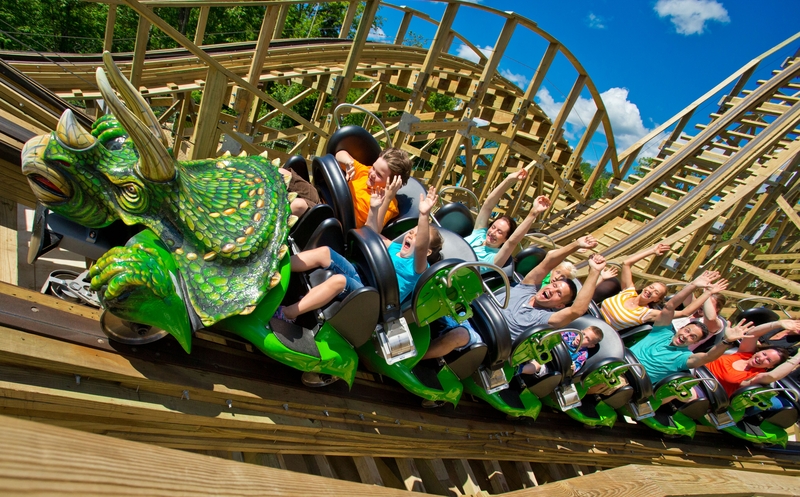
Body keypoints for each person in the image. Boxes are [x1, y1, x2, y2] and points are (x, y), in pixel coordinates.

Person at [626, 271, 751, 384]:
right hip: (621, 362)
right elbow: (670, 306)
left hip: (631, 381)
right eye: (686, 331)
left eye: (692, 337)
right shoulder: (663, 331)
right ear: (681, 328)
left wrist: (726, 341)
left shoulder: (684, 356)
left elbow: (708, 357)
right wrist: (694, 284)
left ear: (696, 342)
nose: (686, 336)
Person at [600, 243, 715, 331]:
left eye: (656, 292)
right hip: (590, 315)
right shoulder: (628, 291)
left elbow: (684, 313)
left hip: (601, 330)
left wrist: (706, 292)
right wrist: (652, 251)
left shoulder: (647, 313)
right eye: (651, 287)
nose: (650, 291)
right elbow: (626, 263)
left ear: (657, 299)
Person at [366, 184, 443, 303]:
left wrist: (424, 215)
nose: (411, 236)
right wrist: (374, 209)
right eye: (411, 232)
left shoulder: (418, 267)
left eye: (417, 236)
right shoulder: (394, 247)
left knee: (338, 282)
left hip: (378, 300)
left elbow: (420, 248)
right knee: (325, 252)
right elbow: (371, 234)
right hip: (365, 279)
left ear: (428, 252)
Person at [465, 166, 551, 269]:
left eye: (500, 232)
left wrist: (534, 213)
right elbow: (487, 206)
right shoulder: (479, 235)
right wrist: (509, 179)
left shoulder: (494, 258)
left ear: (505, 239)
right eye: (493, 227)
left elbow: (513, 241)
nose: (493, 232)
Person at [705, 319, 800, 397]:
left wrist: (797, 358)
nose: (762, 358)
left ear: (771, 366)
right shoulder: (745, 354)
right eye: (764, 354)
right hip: (695, 372)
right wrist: (777, 323)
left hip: (707, 392)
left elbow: (773, 376)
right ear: (759, 351)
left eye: (768, 360)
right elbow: (753, 334)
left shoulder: (757, 375)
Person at [336, 147, 412, 228]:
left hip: (339, 225)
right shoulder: (365, 173)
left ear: (392, 183)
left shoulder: (388, 204)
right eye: (373, 167)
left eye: (379, 174)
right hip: (329, 201)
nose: (372, 173)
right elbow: (339, 154)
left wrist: (387, 199)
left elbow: (374, 231)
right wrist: (349, 163)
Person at [521, 325, 604, 376]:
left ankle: (519, 370)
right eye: (583, 334)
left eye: (587, 339)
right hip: (541, 351)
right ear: (580, 331)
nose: (582, 338)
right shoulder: (568, 334)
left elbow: (573, 369)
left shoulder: (582, 355)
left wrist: (572, 368)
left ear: (591, 345)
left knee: (538, 364)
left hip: (550, 365)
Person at [672, 279, 728, 351]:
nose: (702, 304)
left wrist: (708, 293)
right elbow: (686, 291)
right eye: (702, 300)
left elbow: (710, 318)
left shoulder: (715, 323)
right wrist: (695, 282)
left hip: (677, 347)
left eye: (706, 302)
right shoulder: (694, 308)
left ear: (717, 309)